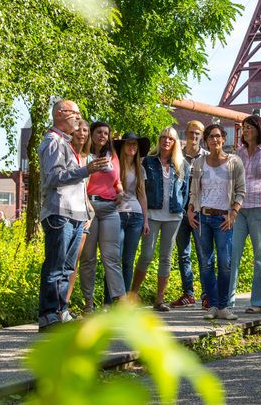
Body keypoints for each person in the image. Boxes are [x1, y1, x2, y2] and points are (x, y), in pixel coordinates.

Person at [38, 100, 110, 332]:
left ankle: (61, 311)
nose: (79, 119)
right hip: (59, 212)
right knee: (55, 265)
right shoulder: (52, 141)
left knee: (68, 267)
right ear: (60, 114)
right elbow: (52, 177)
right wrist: (85, 171)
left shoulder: (68, 144)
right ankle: (48, 316)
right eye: (75, 114)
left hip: (76, 213)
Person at [188, 124, 245, 321]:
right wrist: (190, 210)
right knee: (205, 264)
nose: (214, 140)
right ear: (206, 140)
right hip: (202, 218)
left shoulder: (234, 162)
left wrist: (233, 214)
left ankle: (223, 306)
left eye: (218, 136)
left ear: (223, 138)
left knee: (225, 263)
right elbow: (194, 191)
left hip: (223, 219)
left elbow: (240, 191)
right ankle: (211, 305)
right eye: (211, 137)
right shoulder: (199, 163)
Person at [131, 126, 190, 311]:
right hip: (152, 215)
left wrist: (181, 207)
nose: (166, 141)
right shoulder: (147, 161)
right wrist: (144, 216)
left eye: (170, 138)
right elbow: (141, 189)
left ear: (175, 143)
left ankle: (159, 300)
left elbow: (185, 192)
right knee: (146, 255)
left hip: (173, 216)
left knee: (166, 257)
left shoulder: (182, 165)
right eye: (164, 137)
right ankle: (132, 296)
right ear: (159, 140)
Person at [228, 115, 261, 313]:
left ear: (259, 129)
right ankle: (227, 300)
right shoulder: (238, 153)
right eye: (244, 128)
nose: (246, 130)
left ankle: (260, 301)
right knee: (232, 253)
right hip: (239, 208)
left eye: (249, 127)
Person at [79, 121, 125, 312]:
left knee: (111, 257)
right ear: (92, 134)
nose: (102, 136)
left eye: (106, 133)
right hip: (88, 207)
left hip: (109, 208)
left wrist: (120, 191)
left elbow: (117, 181)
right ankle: (88, 303)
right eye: (99, 132)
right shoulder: (83, 155)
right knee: (88, 258)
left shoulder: (113, 156)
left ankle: (121, 302)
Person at [169, 120, 209, 308]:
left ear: (202, 136)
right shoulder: (177, 157)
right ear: (185, 133)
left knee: (204, 254)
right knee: (183, 254)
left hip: (200, 213)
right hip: (181, 212)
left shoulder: (208, 157)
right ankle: (188, 293)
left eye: (197, 134)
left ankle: (207, 293)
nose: (194, 137)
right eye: (191, 133)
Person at [113, 131, 151, 292]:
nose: (132, 147)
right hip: (117, 215)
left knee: (128, 261)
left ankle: (124, 301)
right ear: (122, 146)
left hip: (136, 216)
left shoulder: (140, 168)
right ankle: (110, 301)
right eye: (129, 143)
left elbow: (142, 194)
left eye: (135, 144)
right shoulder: (115, 166)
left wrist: (146, 220)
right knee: (114, 259)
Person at [66, 120, 91, 305]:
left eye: (85, 130)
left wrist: (90, 211)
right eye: (78, 130)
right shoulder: (65, 153)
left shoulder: (87, 159)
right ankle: (55, 307)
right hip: (65, 212)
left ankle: (64, 303)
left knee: (74, 261)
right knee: (61, 261)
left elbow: (86, 190)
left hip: (83, 214)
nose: (81, 133)